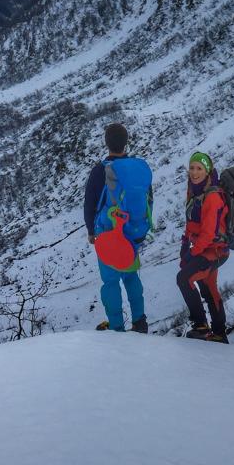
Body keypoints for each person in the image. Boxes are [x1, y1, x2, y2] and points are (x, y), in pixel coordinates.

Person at [84, 122, 151, 333]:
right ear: (126, 143)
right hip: (132, 232)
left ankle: (116, 327)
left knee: (111, 282)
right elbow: (148, 198)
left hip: (108, 233)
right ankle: (140, 321)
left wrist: (91, 231)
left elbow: (90, 203)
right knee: (130, 275)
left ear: (106, 144)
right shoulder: (138, 168)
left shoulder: (101, 170)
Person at [176, 151, 229, 343]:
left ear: (207, 171)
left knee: (184, 279)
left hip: (215, 250)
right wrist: (185, 243)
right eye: (192, 168)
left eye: (199, 168)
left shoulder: (212, 197)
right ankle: (219, 333)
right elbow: (191, 222)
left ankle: (200, 326)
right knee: (208, 287)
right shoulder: (194, 190)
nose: (194, 172)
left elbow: (208, 233)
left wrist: (192, 253)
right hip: (205, 247)